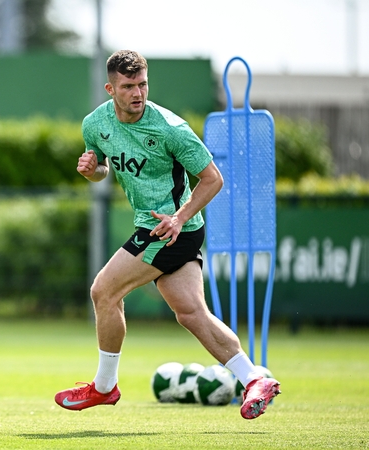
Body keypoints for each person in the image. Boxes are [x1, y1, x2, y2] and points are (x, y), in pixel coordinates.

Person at [54, 50, 281, 419]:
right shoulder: (95, 124)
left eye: (142, 84)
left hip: (169, 228)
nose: (137, 93)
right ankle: (254, 377)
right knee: (191, 313)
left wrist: (177, 218)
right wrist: (92, 171)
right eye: (128, 86)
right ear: (110, 88)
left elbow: (213, 179)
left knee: (103, 291)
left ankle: (105, 387)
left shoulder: (169, 128)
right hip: (167, 228)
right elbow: (103, 170)